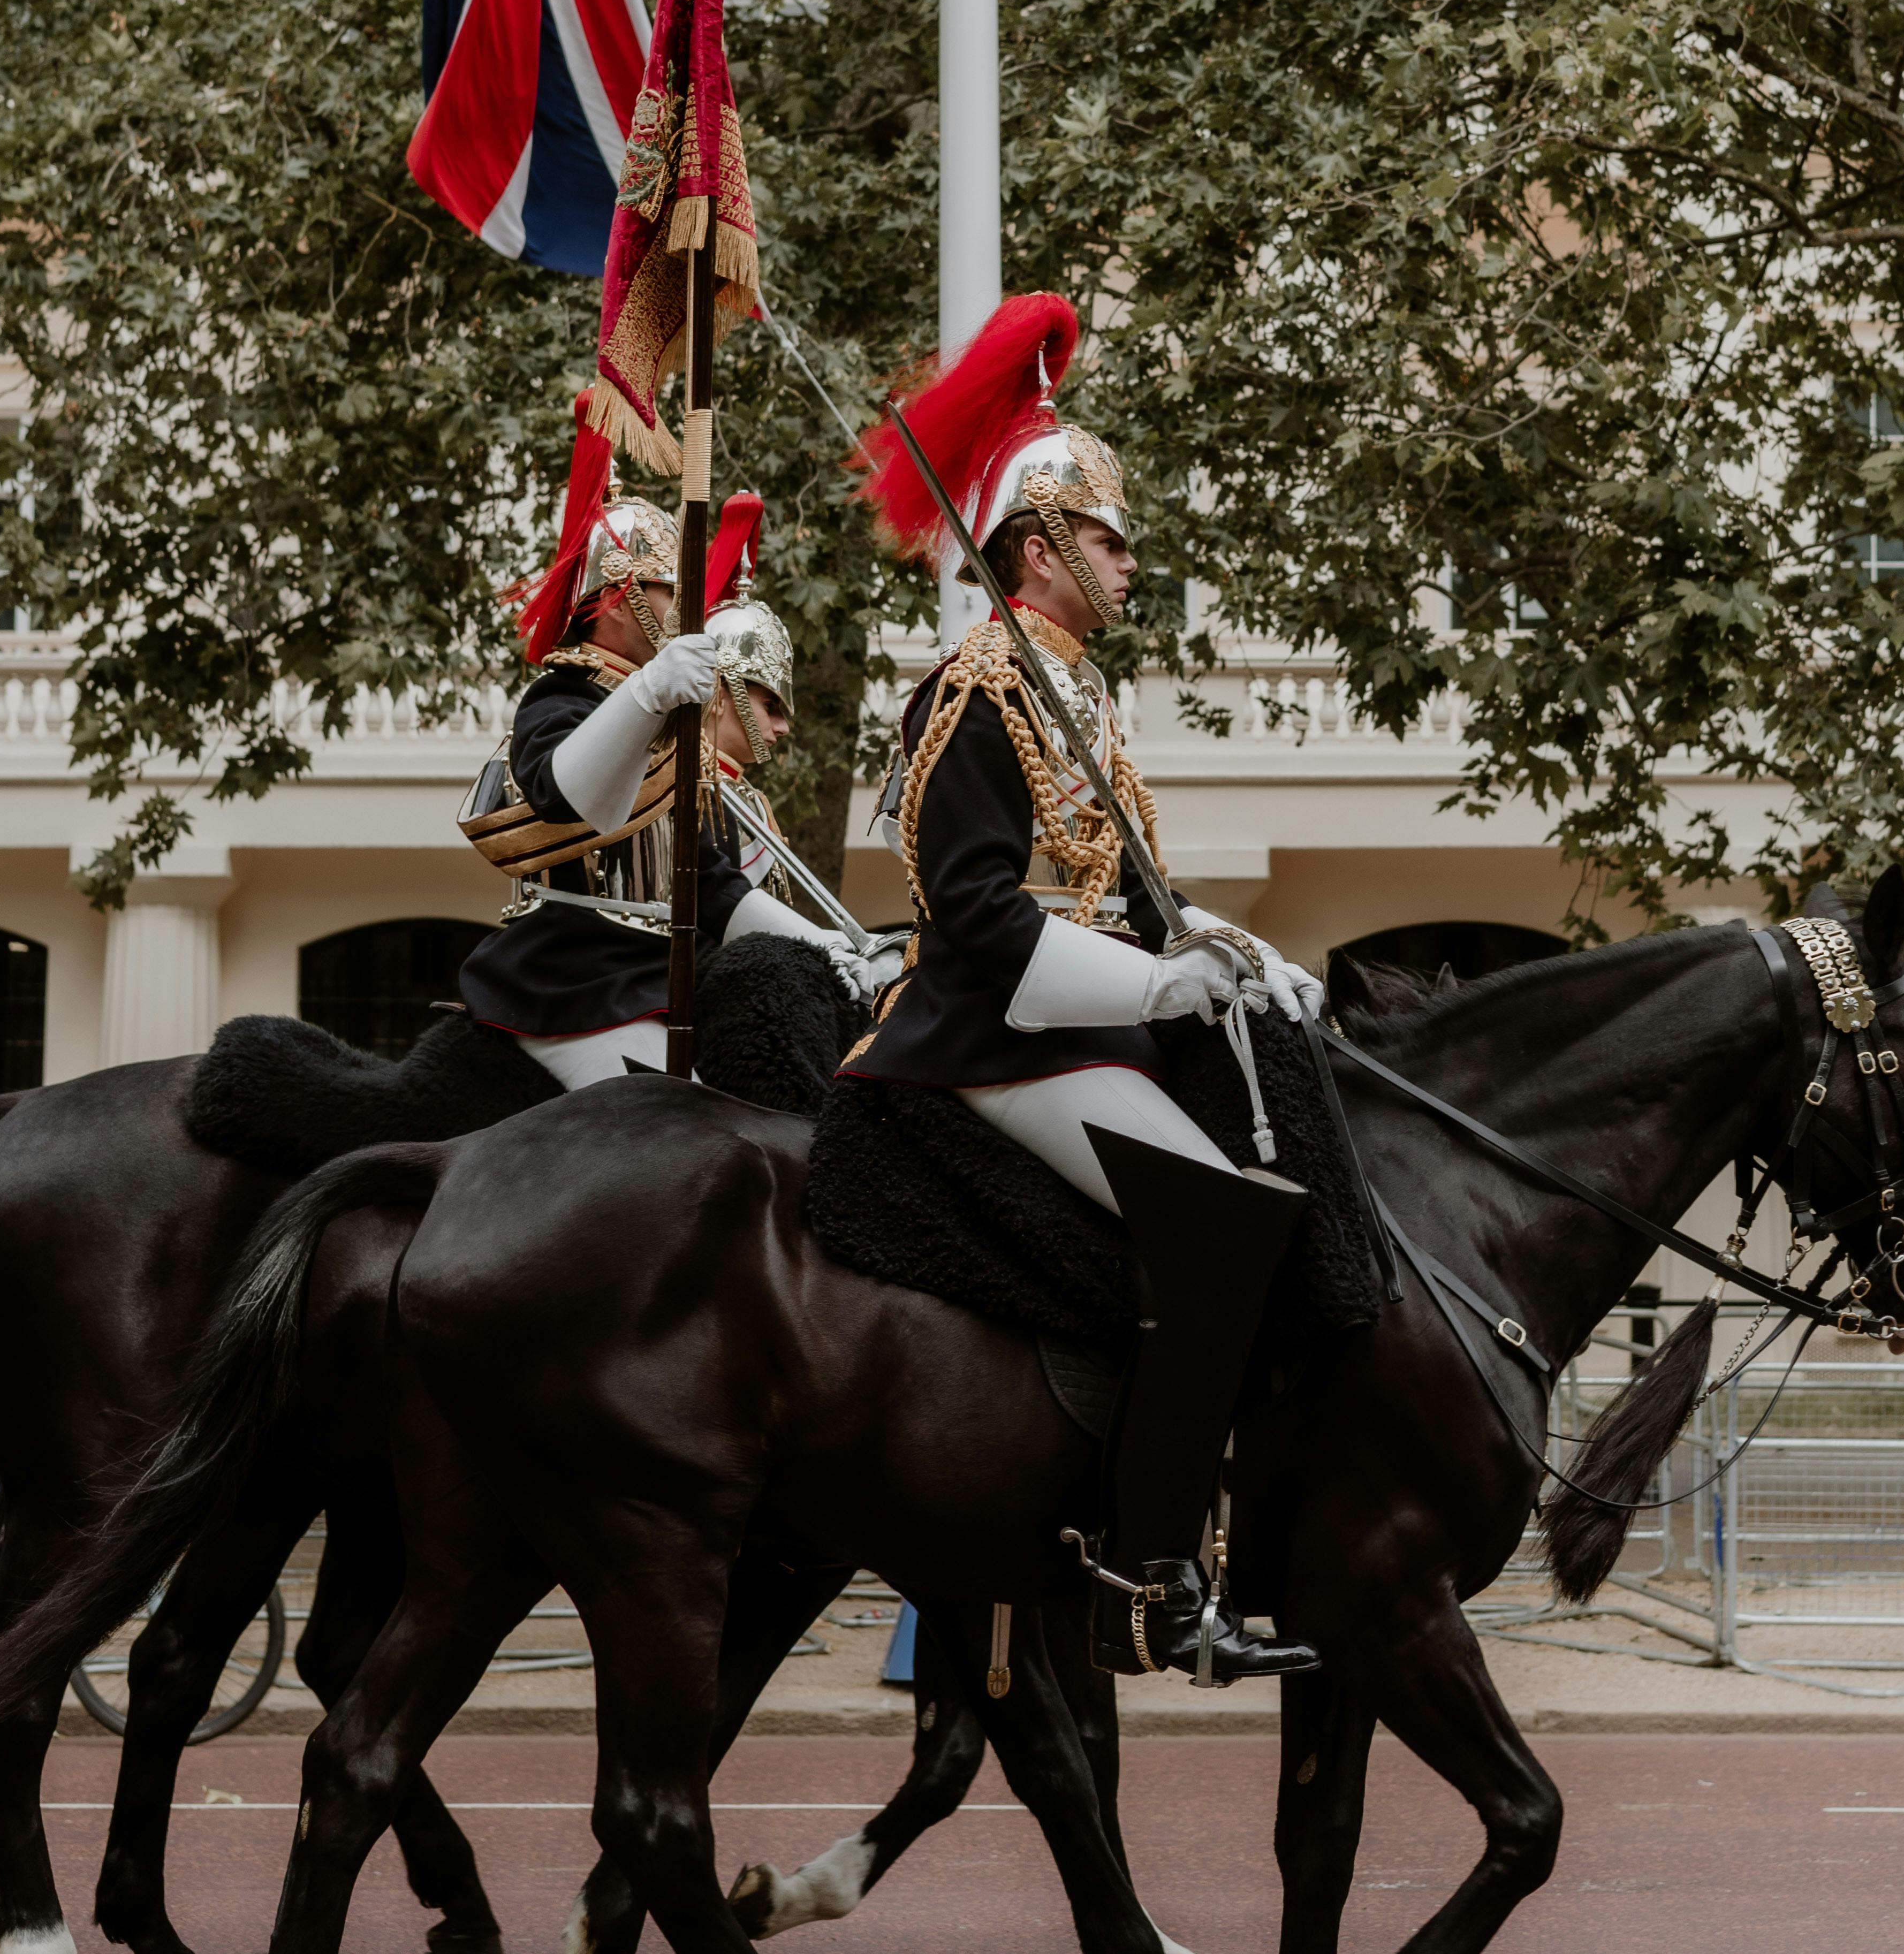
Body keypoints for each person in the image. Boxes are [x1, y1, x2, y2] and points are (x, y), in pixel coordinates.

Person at [848, 294, 1328, 1685]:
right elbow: (985, 918)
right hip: (999, 1039)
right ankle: (1156, 1570)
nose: (1134, 565)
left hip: (1090, 1023)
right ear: (1042, 547)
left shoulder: (1078, 697)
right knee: (1225, 1230)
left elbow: (1140, 899)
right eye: (1114, 542)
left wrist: (1232, 956)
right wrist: (1168, 989)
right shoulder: (977, 688)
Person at [456, 487, 877, 1087]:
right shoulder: (564, 695)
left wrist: (829, 944)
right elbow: (567, 796)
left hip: (655, 975)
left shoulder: (658, 725)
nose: (691, 612)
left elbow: (706, 879)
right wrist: (648, 690)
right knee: (686, 1133)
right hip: (576, 981)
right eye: (674, 593)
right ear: (619, 600)